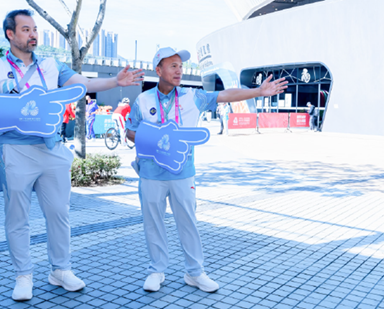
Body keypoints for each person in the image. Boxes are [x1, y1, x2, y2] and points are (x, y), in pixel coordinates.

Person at [0, 9, 143, 301]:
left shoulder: (52, 65)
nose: (33, 35)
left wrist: (116, 82)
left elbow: (85, 84)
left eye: (35, 29)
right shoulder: (1, 67)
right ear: (10, 35)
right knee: (17, 217)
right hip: (14, 150)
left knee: (59, 212)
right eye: (25, 30)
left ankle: (60, 270)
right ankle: (23, 275)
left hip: (51, 148)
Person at [126, 47, 287, 293]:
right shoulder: (144, 100)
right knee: (153, 223)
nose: (179, 70)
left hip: (183, 173)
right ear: (158, 70)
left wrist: (258, 91)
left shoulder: (193, 97)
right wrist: (154, 141)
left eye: (180, 65)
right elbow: (130, 131)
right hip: (150, 174)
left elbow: (225, 95)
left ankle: (195, 272)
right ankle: (157, 270)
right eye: (173, 66)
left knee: (188, 222)